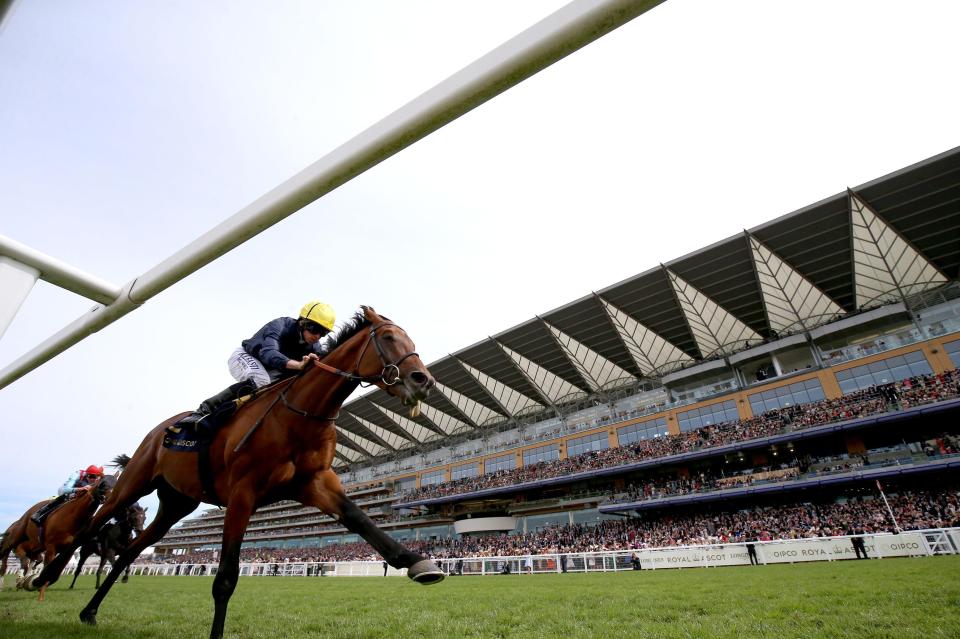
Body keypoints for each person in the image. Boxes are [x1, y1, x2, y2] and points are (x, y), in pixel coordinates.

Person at [179, 301, 336, 426]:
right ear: (302, 322)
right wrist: (298, 365)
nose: (317, 336)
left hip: (270, 369)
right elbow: (268, 353)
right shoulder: (280, 325)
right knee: (262, 380)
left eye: (323, 333)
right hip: (245, 356)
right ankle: (203, 410)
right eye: (314, 328)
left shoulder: (315, 347)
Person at [30, 465, 104, 526]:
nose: (93, 480)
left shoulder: (97, 480)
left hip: (80, 499)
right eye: (91, 477)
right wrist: (81, 489)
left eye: (95, 477)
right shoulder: (77, 474)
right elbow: (62, 490)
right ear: (86, 474)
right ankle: (40, 513)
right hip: (69, 494)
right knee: (64, 496)